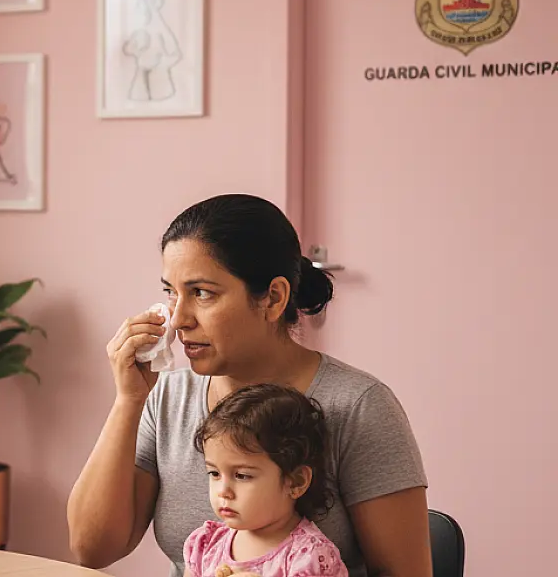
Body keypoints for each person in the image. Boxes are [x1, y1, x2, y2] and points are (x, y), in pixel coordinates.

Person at [67, 194, 430, 577]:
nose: (178, 319)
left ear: (273, 298)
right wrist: (129, 400)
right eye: (170, 292)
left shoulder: (358, 406)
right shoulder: (167, 397)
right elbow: (92, 549)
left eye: (202, 293)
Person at [183, 383, 347, 577]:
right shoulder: (206, 544)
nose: (223, 491)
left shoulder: (310, 558)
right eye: (214, 474)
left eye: (242, 475)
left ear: (296, 482)